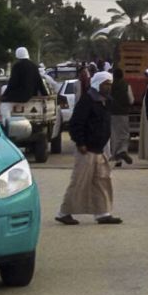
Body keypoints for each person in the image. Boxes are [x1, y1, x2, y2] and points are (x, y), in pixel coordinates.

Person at [55, 72, 122, 226]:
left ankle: (102, 213)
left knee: (102, 181)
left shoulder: (106, 101)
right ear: (97, 83)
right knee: (79, 182)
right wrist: (80, 143)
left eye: (110, 84)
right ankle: (64, 213)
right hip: (87, 149)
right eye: (106, 84)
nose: (108, 87)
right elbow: (76, 124)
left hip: (99, 149)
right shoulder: (87, 100)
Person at [1, 47, 49, 125]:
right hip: (30, 95)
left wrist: (5, 95)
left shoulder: (17, 66)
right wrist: (45, 95)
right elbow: (39, 82)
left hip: (20, 96)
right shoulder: (34, 66)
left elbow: (12, 83)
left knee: (4, 105)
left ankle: (7, 125)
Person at [109, 68, 135, 167]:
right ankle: (122, 151)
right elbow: (131, 100)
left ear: (114, 76)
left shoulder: (110, 86)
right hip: (123, 113)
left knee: (114, 135)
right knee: (124, 134)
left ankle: (117, 159)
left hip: (112, 113)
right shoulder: (126, 85)